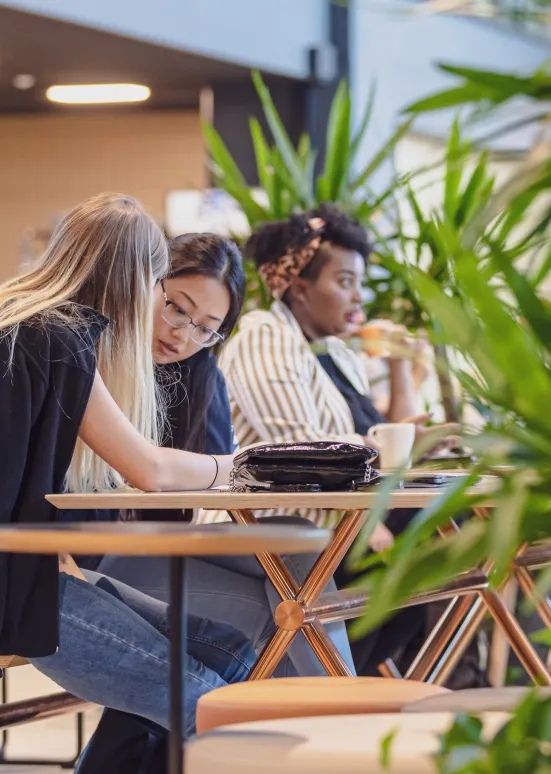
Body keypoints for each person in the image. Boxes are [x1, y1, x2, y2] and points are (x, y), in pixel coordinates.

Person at [0, 194, 268, 738]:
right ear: (135, 278)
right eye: (160, 289)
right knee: (208, 701)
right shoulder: (56, 340)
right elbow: (152, 472)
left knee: (229, 651)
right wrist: (245, 465)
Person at [77, 233, 352, 772]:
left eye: (207, 328)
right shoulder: (91, 355)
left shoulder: (199, 372)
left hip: (156, 546)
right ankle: (338, 739)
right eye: (176, 308)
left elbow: (205, 488)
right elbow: (159, 474)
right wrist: (236, 467)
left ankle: (340, 724)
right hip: (91, 553)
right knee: (273, 613)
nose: (183, 334)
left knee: (299, 555)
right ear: (148, 285)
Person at [220, 205, 443, 674]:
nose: (358, 297)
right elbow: (301, 451)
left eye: (360, 283)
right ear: (299, 286)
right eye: (345, 282)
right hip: (284, 527)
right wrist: (371, 519)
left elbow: (376, 439)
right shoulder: (265, 337)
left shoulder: (337, 352)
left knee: (430, 559)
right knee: (430, 547)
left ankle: (334, 694)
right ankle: (316, 695)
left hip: (340, 522)